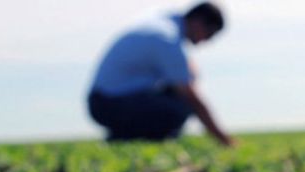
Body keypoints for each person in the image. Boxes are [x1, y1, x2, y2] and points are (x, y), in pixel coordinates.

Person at [87, 2, 234, 145]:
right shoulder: (167, 39)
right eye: (209, 34)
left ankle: (123, 136)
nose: (206, 41)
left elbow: (186, 71)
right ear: (198, 22)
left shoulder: (164, 25)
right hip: (108, 103)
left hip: (105, 100)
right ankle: (124, 138)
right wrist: (222, 138)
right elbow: (192, 98)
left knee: (175, 98)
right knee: (180, 107)